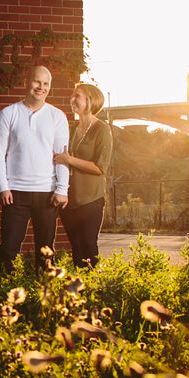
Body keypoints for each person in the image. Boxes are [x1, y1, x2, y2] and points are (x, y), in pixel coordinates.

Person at [0, 65, 69, 276]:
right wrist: (3, 186)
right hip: (15, 193)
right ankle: (1, 294)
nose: (41, 87)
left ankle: (45, 300)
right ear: (27, 81)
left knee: (46, 253)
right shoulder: (8, 113)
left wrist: (62, 188)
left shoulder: (57, 116)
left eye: (46, 84)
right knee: (8, 249)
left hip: (47, 194)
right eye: (37, 82)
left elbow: (62, 156)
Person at [53, 82, 112, 268]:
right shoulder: (71, 129)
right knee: (76, 249)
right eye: (72, 95)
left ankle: (94, 290)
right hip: (69, 200)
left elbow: (100, 168)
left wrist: (69, 160)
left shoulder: (102, 129)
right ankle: (79, 292)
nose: (73, 99)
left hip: (91, 200)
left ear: (90, 100)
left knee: (88, 246)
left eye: (77, 96)